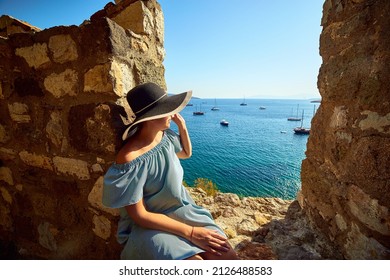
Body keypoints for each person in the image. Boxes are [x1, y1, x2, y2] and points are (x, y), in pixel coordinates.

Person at [102, 82, 239, 260]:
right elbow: (139, 215)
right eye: (167, 109)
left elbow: (185, 153)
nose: (172, 112)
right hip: (150, 225)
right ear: (151, 117)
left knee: (227, 256)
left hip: (182, 210)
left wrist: (182, 127)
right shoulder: (130, 158)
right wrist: (190, 232)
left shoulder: (164, 137)